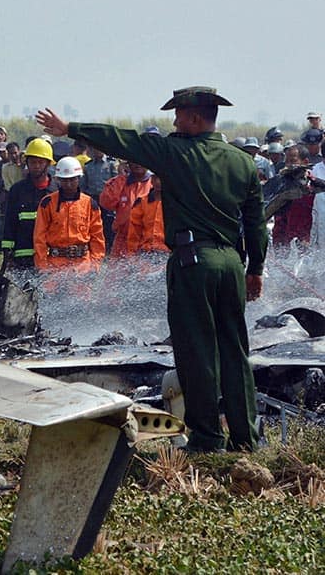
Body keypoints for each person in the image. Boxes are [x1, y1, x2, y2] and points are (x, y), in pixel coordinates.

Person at [37, 85, 267, 453]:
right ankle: (246, 439)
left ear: (194, 117)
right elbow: (255, 222)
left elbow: (122, 141)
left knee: (197, 351)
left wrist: (70, 129)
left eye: (177, 114)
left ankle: (208, 439)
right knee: (235, 351)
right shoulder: (241, 161)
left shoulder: (174, 152)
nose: (174, 120)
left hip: (194, 263)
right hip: (231, 264)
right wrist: (255, 268)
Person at [32, 156, 104, 273]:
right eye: (65, 180)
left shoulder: (90, 203)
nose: (69, 184)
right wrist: (42, 266)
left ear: (78, 178)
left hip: (83, 266)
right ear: (58, 180)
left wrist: (95, 264)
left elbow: (97, 236)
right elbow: (39, 237)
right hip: (54, 266)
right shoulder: (47, 203)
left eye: (72, 179)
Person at [1, 138, 56, 269]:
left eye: (40, 162)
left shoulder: (57, 191)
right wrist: (7, 254)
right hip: (23, 256)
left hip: (51, 257)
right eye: (32, 162)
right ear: (27, 163)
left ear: (48, 164)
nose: (36, 166)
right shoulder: (17, 190)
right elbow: (10, 223)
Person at [99, 161, 152, 257]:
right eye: (134, 160)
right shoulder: (120, 182)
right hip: (123, 242)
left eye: (141, 159)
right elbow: (106, 203)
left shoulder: (155, 183)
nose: (138, 163)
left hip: (146, 242)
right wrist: (121, 178)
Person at [127, 175, 168, 254]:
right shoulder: (141, 202)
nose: (158, 182)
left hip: (169, 254)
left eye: (162, 178)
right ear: (151, 180)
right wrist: (132, 256)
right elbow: (134, 233)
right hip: (146, 253)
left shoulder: (178, 205)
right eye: (155, 178)